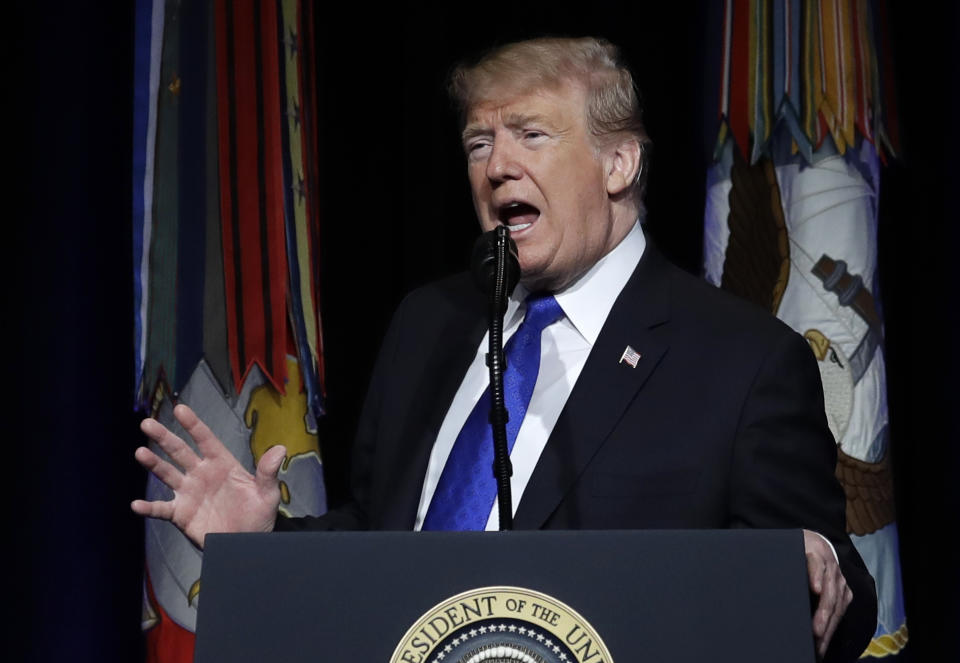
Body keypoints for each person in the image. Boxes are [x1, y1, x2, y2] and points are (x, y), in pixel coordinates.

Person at [132, 37, 876, 662]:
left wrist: (813, 562)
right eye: (479, 143)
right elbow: (384, 545)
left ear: (619, 164)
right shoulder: (430, 324)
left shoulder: (741, 359)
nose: (496, 167)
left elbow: (835, 590)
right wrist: (265, 540)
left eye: (532, 134)